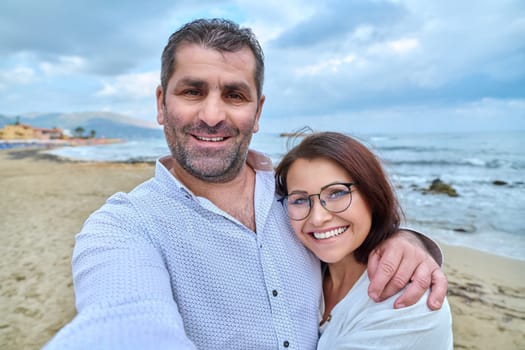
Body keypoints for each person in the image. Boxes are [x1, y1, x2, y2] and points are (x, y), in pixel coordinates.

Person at [44, 18, 447, 350]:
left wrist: (406, 240)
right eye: (192, 91)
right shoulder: (124, 227)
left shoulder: (295, 200)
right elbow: (124, 320)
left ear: (258, 112)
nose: (213, 114)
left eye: (235, 95)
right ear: (160, 103)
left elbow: (348, 240)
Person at [275, 131, 453, 349]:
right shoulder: (301, 273)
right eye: (300, 199)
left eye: (337, 193)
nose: (318, 218)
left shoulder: (410, 303)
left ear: (372, 194)